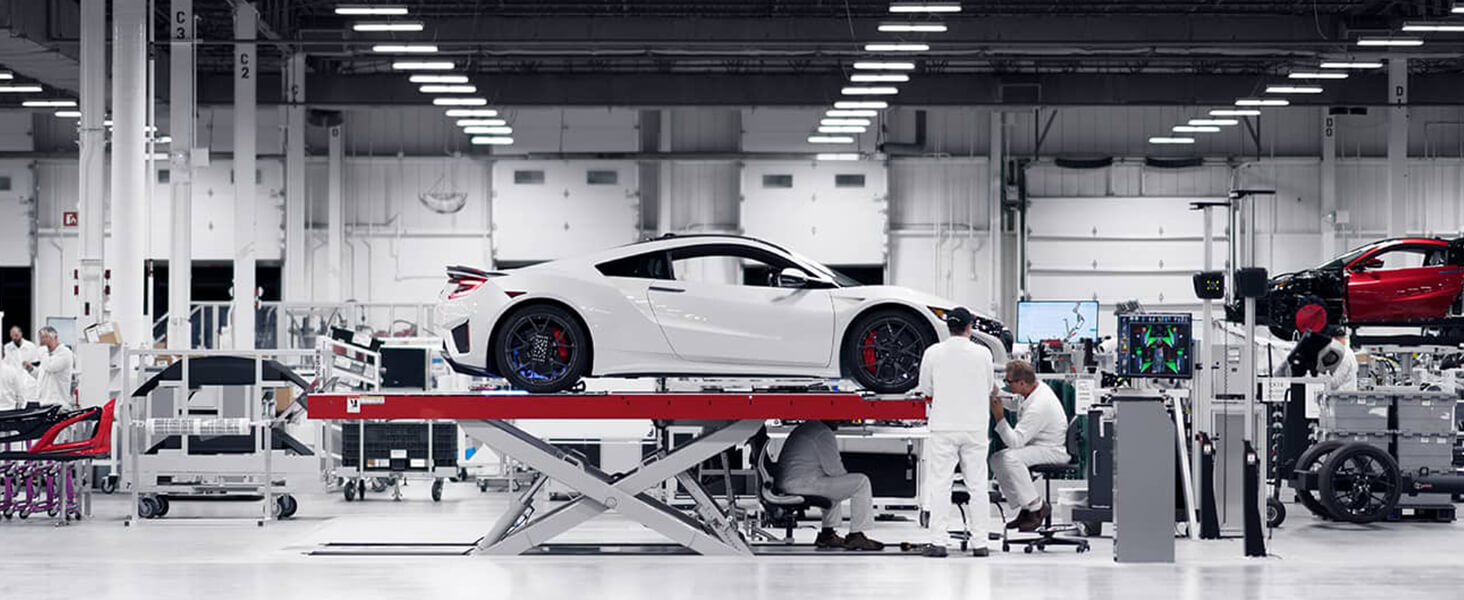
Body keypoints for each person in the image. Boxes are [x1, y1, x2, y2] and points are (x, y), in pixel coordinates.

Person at [915, 307, 997, 558]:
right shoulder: (983, 353)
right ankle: (980, 544)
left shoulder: (933, 353)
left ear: (947, 326)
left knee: (940, 484)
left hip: (944, 426)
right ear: (970, 326)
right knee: (977, 486)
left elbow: (925, 388)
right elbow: (989, 387)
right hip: (974, 427)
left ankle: (938, 542)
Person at [776, 421, 885, 551]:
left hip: (791, 482)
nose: (841, 421)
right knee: (861, 482)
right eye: (838, 417)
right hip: (802, 484)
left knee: (833, 485)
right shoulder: (822, 433)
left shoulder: (809, 427)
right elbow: (835, 471)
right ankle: (857, 535)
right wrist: (846, 482)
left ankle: (827, 535)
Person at [989, 360, 1070, 532]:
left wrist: (999, 417)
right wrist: (994, 389)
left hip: (1052, 450)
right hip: (1040, 445)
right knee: (996, 459)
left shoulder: (1039, 406)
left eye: (1009, 382)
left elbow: (1015, 442)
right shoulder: (1033, 389)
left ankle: (1037, 507)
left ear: (1022, 383)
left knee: (1010, 458)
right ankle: (1025, 508)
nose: (1006, 385)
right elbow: (1014, 403)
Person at [28, 326, 74, 407]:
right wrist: (31, 369)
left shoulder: (65, 353)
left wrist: (43, 350)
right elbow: (42, 375)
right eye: (41, 338)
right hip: (43, 402)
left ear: (55, 337)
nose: (43, 341)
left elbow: (50, 367)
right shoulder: (47, 356)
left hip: (57, 403)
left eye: (46, 337)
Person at [1324, 325, 1358, 393]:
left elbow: (1334, 383)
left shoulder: (1343, 356)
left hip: (1341, 399)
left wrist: (1321, 373)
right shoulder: (1348, 352)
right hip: (1345, 397)